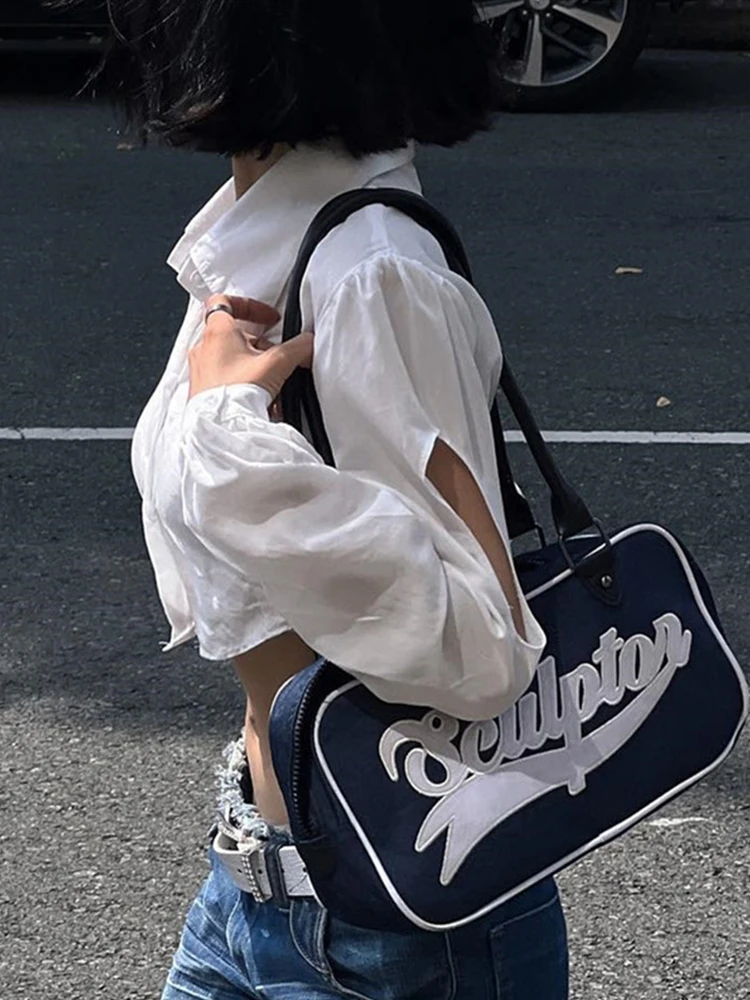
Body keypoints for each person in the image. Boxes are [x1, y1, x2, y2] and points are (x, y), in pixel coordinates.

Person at [101, 0, 570, 995]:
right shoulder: (262, 245)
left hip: (396, 926)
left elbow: (480, 647)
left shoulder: (370, 274)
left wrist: (229, 437)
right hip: (256, 877)